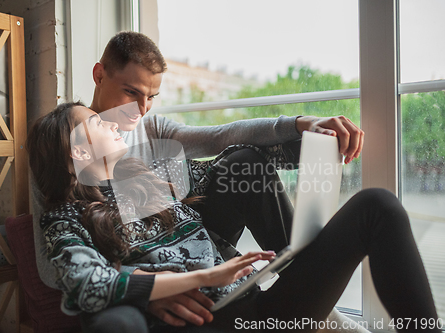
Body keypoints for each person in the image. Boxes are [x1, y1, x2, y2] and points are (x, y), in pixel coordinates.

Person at [27, 102, 440, 333]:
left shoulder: (148, 180)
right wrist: (202, 278)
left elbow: (237, 161)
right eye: (96, 123)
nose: (113, 123)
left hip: (261, 309)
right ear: (78, 152)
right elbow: (85, 283)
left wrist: (311, 140)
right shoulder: (65, 219)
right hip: (210, 321)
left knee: (378, 206)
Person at [84, 30, 365, 328]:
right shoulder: (65, 136)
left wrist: (302, 124)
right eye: (131, 92)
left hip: (192, 240)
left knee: (244, 162)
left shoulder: (151, 129)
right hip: (137, 257)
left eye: (151, 97)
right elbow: (54, 258)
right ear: (99, 75)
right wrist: (146, 287)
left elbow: (221, 136)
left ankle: (310, 293)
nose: (141, 109)